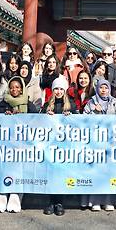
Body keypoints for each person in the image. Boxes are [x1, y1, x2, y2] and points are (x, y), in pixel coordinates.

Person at [0, 77, 35, 213]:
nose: (14, 89)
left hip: (22, 145)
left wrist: (22, 116)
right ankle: (1, 195)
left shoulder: (29, 104)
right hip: (5, 145)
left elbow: (37, 121)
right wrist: (5, 115)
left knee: (18, 170)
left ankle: (16, 195)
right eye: (12, 87)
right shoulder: (3, 103)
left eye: (17, 87)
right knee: (2, 169)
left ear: (22, 88)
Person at [82, 78, 116, 211]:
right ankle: (95, 201)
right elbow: (84, 121)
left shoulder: (115, 103)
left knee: (110, 172)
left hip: (112, 142)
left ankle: (109, 200)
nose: (103, 90)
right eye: (101, 87)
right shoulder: (90, 103)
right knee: (96, 172)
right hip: (95, 143)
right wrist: (95, 112)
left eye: (106, 87)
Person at [41, 77, 78, 216]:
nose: (58, 91)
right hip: (50, 145)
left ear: (65, 90)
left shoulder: (72, 105)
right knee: (50, 174)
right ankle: (51, 202)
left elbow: (78, 124)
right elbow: (39, 123)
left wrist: (72, 116)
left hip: (65, 146)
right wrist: (45, 116)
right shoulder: (46, 105)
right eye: (56, 88)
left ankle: (60, 202)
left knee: (62, 174)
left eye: (61, 89)